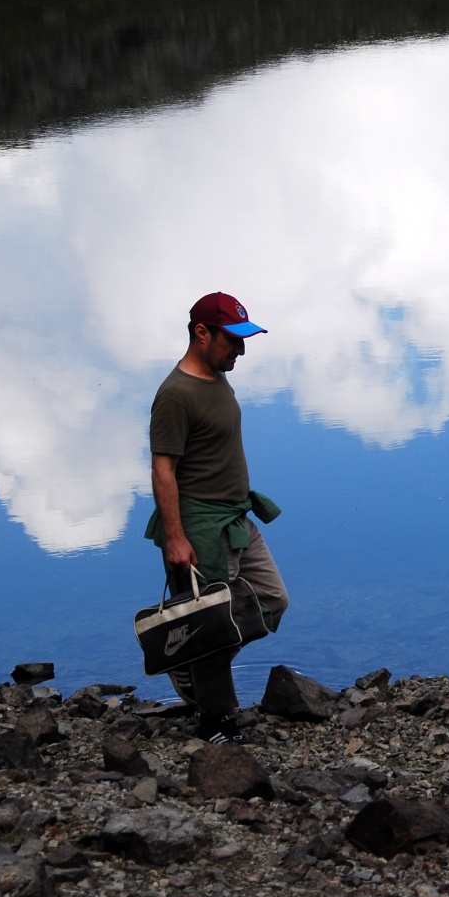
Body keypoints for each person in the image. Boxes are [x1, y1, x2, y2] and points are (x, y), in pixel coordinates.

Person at [145, 291, 289, 743]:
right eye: (233, 339)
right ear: (202, 333)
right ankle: (215, 721)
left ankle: (188, 660)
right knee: (210, 623)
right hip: (201, 526)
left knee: (271, 598)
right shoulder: (176, 395)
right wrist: (175, 537)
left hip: (236, 518)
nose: (241, 350)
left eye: (243, 339)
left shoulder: (217, 377)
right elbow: (163, 469)